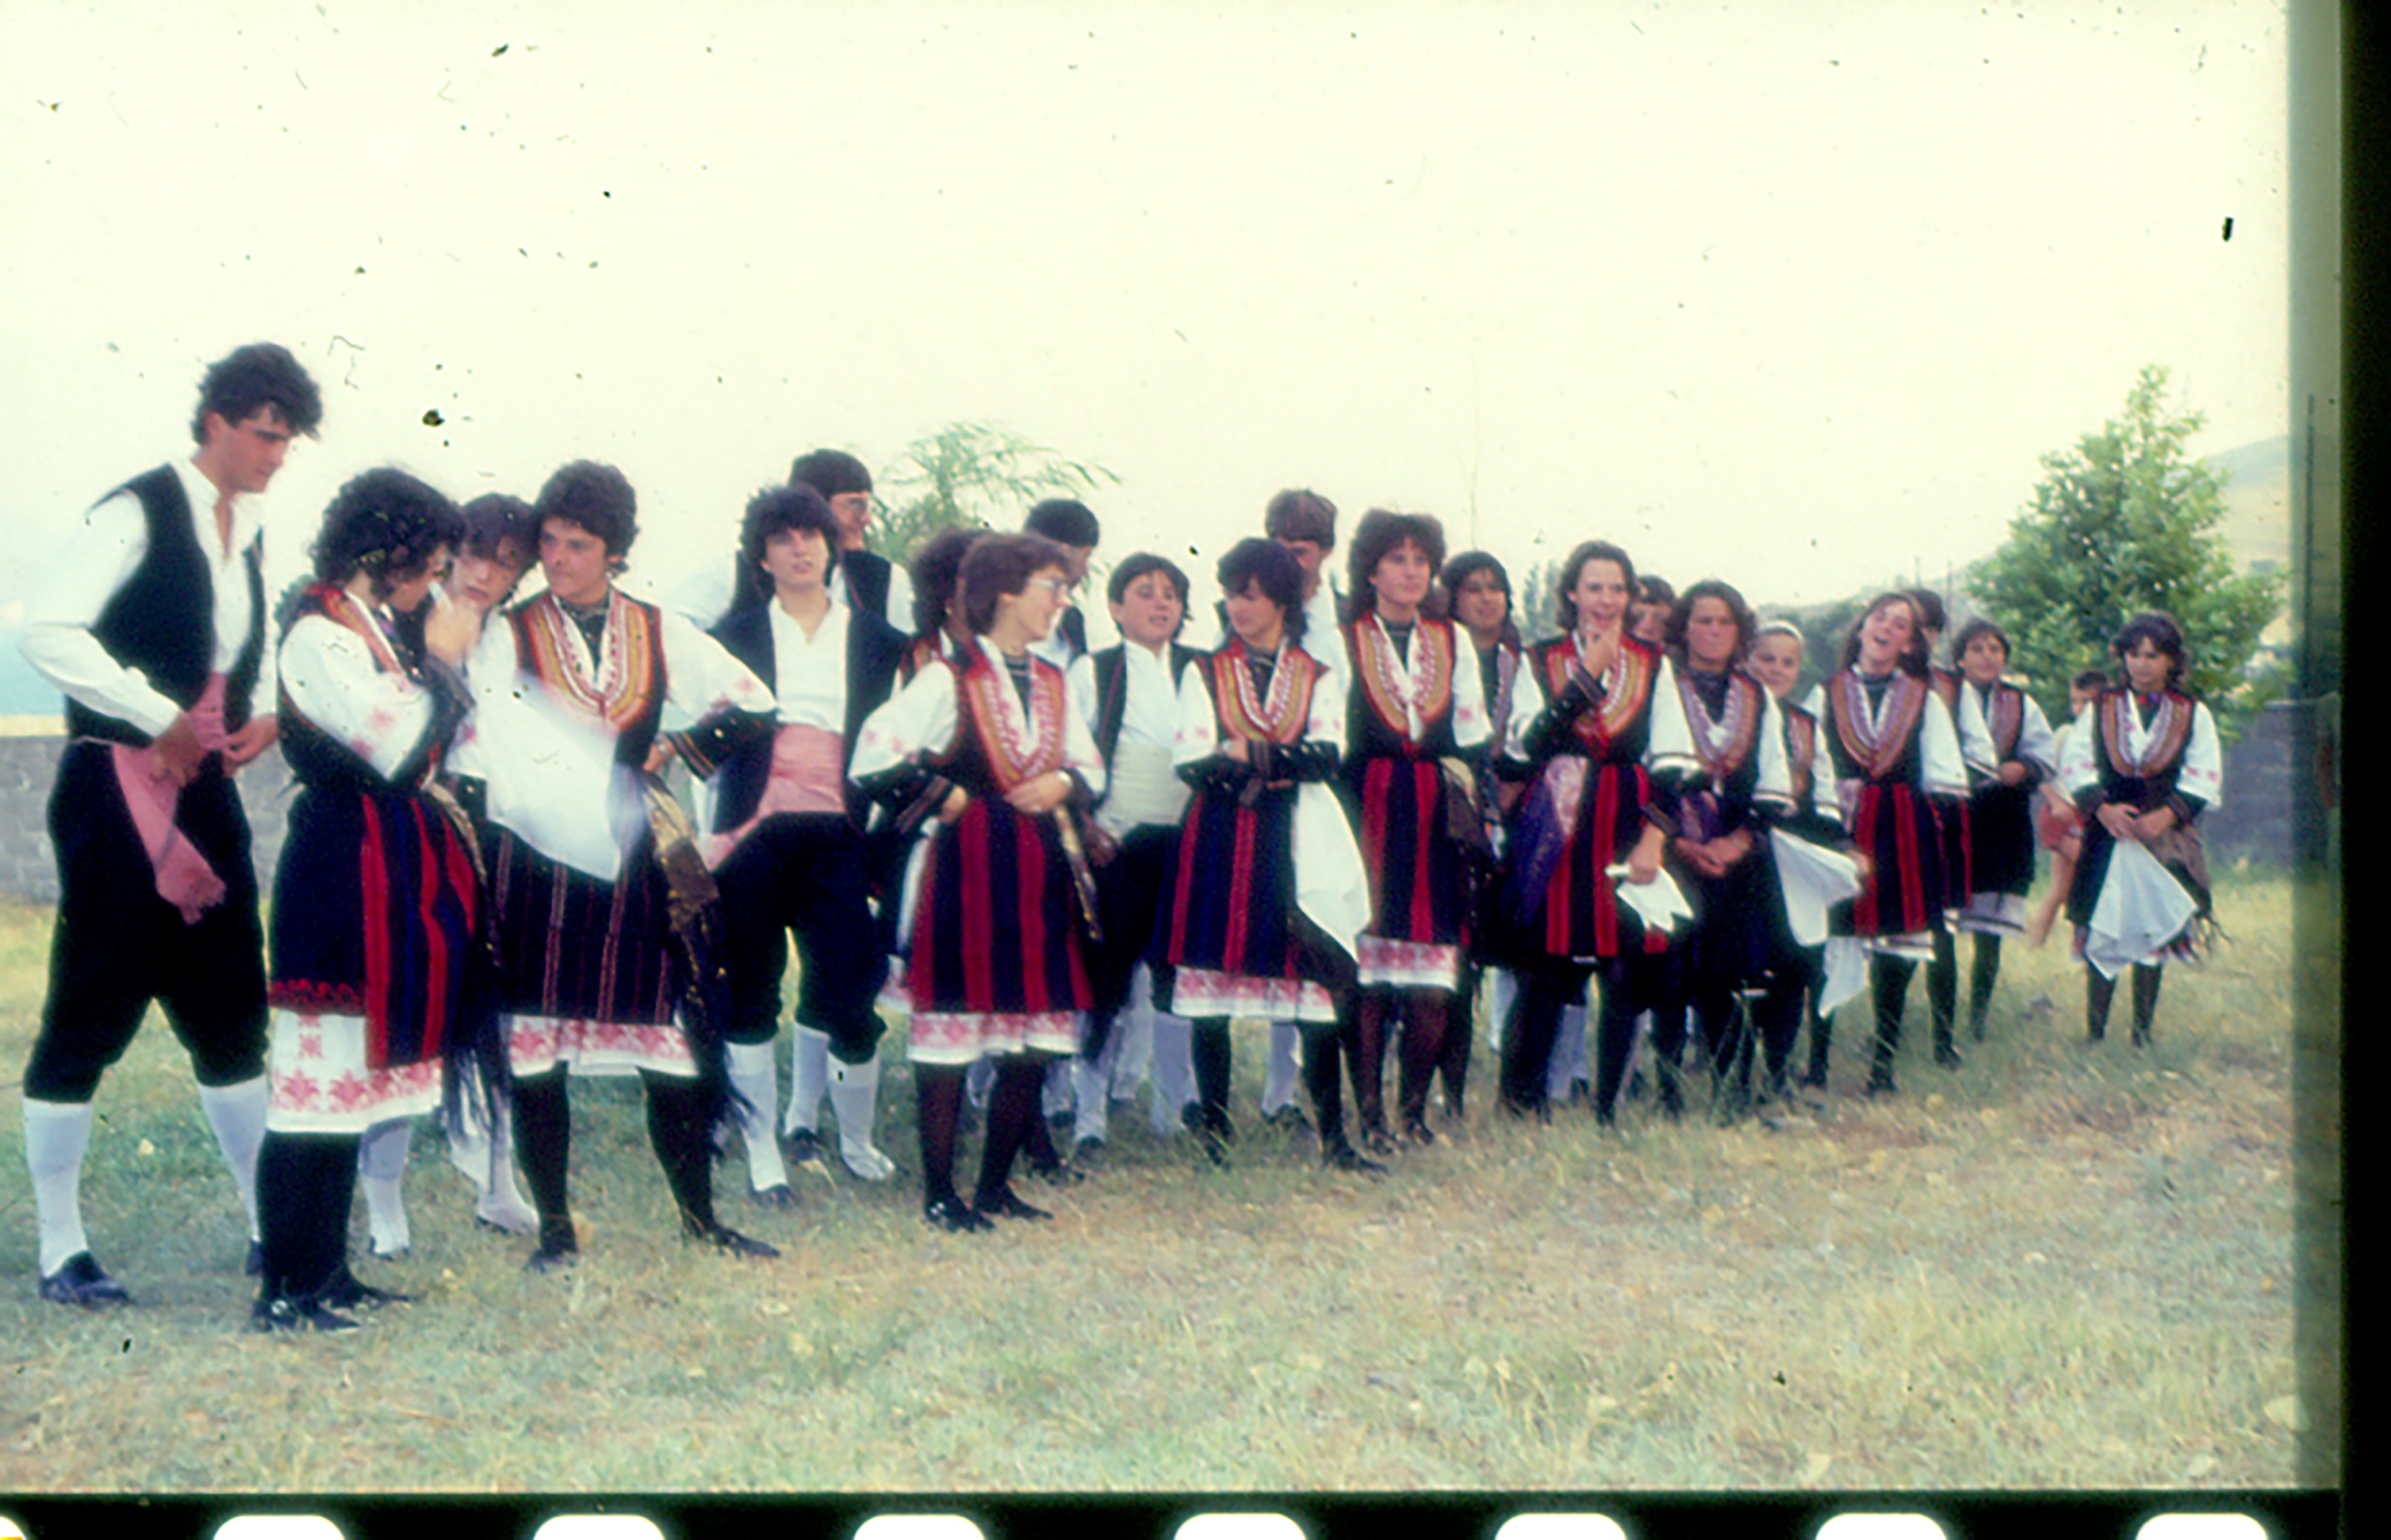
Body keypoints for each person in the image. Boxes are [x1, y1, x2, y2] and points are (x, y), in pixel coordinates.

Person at [19, 342, 321, 1306]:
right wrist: (154, 712)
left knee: (231, 1009)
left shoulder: (253, 528)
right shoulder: (134, 511)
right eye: (264, 436)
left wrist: (263, 711)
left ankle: (268, 1226)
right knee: (90, 1007)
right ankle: (61, 1248)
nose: (276, 456)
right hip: (115, 793)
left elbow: (243, 650)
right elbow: (47, 629)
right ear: (216, 423)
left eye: (287, 441)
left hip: (207, 793)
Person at [469, 460, 782, 1268]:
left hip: (634, 853)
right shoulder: (509, 632)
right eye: (549, 541)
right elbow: (484, 734)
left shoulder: (657, 627)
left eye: (578, 544)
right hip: (538, 858)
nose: (558, 558)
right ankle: (556, 1231)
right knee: (538, 1049)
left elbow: (753, 700)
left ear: (615, 551)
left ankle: (700, 1221)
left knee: (667, 1046)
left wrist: (678, 746)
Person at [251, 468, 489, 1330]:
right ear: (390, 553)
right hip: (339, 867)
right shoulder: (319, 635)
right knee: (313, 1086)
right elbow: (397, 746)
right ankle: (287, 1284)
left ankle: (328, 1270)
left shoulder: (366, 628)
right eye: (430, 564)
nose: (435, 584)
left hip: (375, 863)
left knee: (346, 1086)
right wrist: (445, 661)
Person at [851, 534, 1106, 1230]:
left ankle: (994, 1186)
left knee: (1033, 1038)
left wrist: (1064, 781)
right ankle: (940, 1194)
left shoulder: (1054, 680)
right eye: (1052, 586)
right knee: (954, 1030)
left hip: (1040, 869)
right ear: (1007, 593)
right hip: (966, 869)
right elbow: (873, 755)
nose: (1062, 599)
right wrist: (943, 795)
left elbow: (1090, 765)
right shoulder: (947, 676)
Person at [703, 484, 910, 1201]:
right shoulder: (730, 636)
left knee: (852, 986)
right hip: (752, 832)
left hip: (839, 832)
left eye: (811, 536)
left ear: (832, 546)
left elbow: (895, 741)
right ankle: (763, 1149)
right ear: (761, 556)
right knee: (751, 991)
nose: (799, 550)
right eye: (782, 539)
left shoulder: (879, 640)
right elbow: (703, 734)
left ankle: (855, 1139)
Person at [356, 489, 543, 1256]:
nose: (484, 574)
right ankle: (383, 1203)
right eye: (472, 555)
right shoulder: (403, 621)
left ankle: (497, 1182)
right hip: (419, 823)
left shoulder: (519, 635)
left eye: (506, 563)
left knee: (494, 1013)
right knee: (406, 1008)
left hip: (501, 829)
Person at [1155, 537, 1380, 1172]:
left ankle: (1336, 1140)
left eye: (1250, 595)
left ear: (1281, 600)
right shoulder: (1204, 672)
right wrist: (1280, 759)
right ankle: (1216, 1136)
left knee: (1314, 986)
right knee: (1213, 996)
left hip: (1296, 841)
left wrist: (1243, 751)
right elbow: (1192, 761)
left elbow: (1328, 755)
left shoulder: (1318, 675)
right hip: (1222, 840)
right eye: (1231, 594)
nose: (1237, 607)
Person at [1497, 541, 1693, 1126]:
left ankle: (1609, 1106)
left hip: (1626, 822)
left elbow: (1671, 762)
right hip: (1559, 823)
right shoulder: (1541, 659)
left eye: (1617, 588)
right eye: (1594, 587)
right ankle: (1524, 1103)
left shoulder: (1653, 663)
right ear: (1572, 594)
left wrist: (1654, 839)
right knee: (1546, 965)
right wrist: (1588, 676)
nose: (1606, 599)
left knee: (1626, 964)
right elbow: (1529, 745)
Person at [1338, 511, 1488, 1147]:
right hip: (1365, 804)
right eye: (1396, 559)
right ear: (1371, 571)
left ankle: (1413, 1111)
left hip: (1432, 809)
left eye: (1421, 561)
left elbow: (1472, 734)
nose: (1410, 572)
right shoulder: (1345, 639)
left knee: (1432, 973)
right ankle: (1370, 1113)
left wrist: (1463, 787)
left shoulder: (1451, 640)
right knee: (1369, 973)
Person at [1066, 554, 1205, 1154]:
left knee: (1178, 977)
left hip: (1189, 843)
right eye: (1145, 592)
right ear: (1116, 608)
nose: (1160, 603)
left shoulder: (1202, 669)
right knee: (1107, 979)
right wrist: (1086, 826)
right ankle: (1088, 1116)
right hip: (1117, 842)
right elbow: (1070, 756)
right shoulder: (1094, 671)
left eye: (1171, 593)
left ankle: (1171, 1110)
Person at [1818, 593, 1969, 1095]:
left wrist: (1929, 837)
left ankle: (1882, 1066)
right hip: (1839, 825)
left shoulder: (1925, 699)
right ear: (1862, 628)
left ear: (1909, 644)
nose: (1887, 627)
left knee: (1897, 946)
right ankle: (1816, 1065)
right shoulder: (1826, 693)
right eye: (1879, 617)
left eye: (1901, 624)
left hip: (1901, 828)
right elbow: (1809, 760)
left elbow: (1944, 775)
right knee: (1831, 940)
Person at [1657, 581, 1798, 1121]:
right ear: (1684, 627)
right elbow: (1648, 768)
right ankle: (1668, 1094)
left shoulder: (1757, 696)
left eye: (1725, 622)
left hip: (1738, 856)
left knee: (1730, 972)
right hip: (1672, 849)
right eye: (1703, 620)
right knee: (1670, 972)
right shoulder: (1662, 685)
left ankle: (1729, 1092)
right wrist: (1682, 844)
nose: (1713, 631)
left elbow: (1774, 777)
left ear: (1739, 631)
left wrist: (1738, 842)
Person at [2058, 613, 2222, 1046]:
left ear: (2171, 660)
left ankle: (2142, 1034)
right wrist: (2103, 810)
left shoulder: (2192, 713)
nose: (2142, 665)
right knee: (2104, 928)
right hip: (2108, 836)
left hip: (2161, 838)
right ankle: (2095, 1033)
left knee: (2152, 929)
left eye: (2153, 655)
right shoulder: (2101, 707)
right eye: (2134, 654)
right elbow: (2076, 763)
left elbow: (2203, 774)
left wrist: (2163, 817)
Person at [1438, 550, 1530, 1120]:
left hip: (1520, 820)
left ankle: (1516, 1090)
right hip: (1454, 818)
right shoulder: (1436, 657)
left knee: (1520, 958)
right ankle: (1450, 1093)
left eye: (1496, 587)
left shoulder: (1524, 666)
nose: (1486, 598)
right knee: (1457, 964)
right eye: (1473, 587)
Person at [1744, 620, 1847, 1100]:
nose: (1776, 670)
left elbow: (1824, 791)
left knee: (1795, 961)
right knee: (1744, 965)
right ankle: (1734, 1073)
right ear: (1747, 659)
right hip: (1741, 852)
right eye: (1766, 659)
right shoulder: (1734, 710)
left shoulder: (1805, 723)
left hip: (1793, 855)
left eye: (1787, 662)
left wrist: (1834, 845)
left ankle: (1778, 1069)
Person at [1948, 617, 2059, 1037]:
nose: (1986, 656)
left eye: (1994, 649)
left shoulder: (2019, 703)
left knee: (1988, 932)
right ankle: (1941, 1016)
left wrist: (2023, 768)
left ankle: (1978, 1015)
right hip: (1952, 818)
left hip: (2001, 822)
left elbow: (2044, 753)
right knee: (1943, 922)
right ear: (1960, 657)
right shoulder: (1941, 697)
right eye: (1976, 648)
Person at [2027, 668, 2111, 947]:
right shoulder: (2066, 734)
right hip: (2061, 815)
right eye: (2076, 701)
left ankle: (2037, 943)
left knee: (2062, 887)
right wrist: (2057, 803)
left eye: (2089, 702)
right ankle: (2081, 939)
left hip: (2085, 816)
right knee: (2091, 872)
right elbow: (2043, 776)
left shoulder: (2108, 739)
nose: (2081, 709)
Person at [794, 448, 915, 631]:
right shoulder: (760, 576)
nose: (865, 519)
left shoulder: (887, 578)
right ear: (816, 506)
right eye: (854, 504)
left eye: (866, 506)